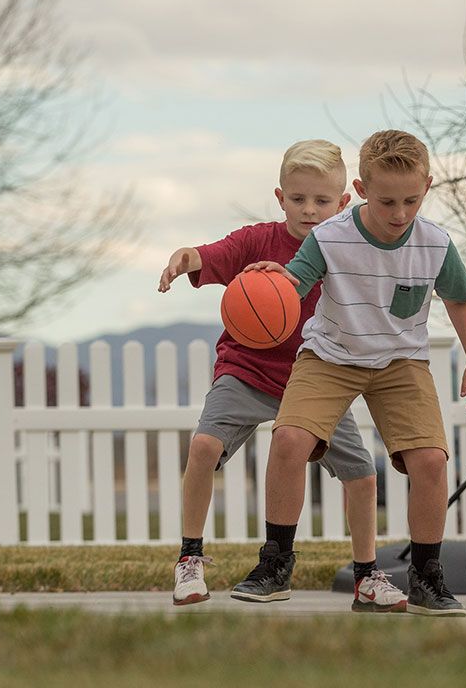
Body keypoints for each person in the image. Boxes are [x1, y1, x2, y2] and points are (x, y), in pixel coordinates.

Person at [240, 129, 466, 617]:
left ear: (428, 186)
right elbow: (294, 283)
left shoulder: (435, 243)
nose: (399, 214)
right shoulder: (329, 237)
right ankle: (274, 565)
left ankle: (427, 576)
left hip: (400, 361)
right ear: (360, 189)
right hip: (331, 355)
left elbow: (461, 300)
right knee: (288, 439)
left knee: (432, 461)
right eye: (387, 201)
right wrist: (275, 282)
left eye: (411, 201)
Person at [157, 139, 406, 613]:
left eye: (322, 201)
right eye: (298, 199)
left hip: (316, 378)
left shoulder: (344, 250)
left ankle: (367, 576)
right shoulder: (257, 241)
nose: (309, 210)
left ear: (343, 202)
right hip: (247, 369)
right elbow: (207, 255)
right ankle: (190, 559)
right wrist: (182, 258)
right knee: (203, 446)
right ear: (280, 197)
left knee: (361, 475)